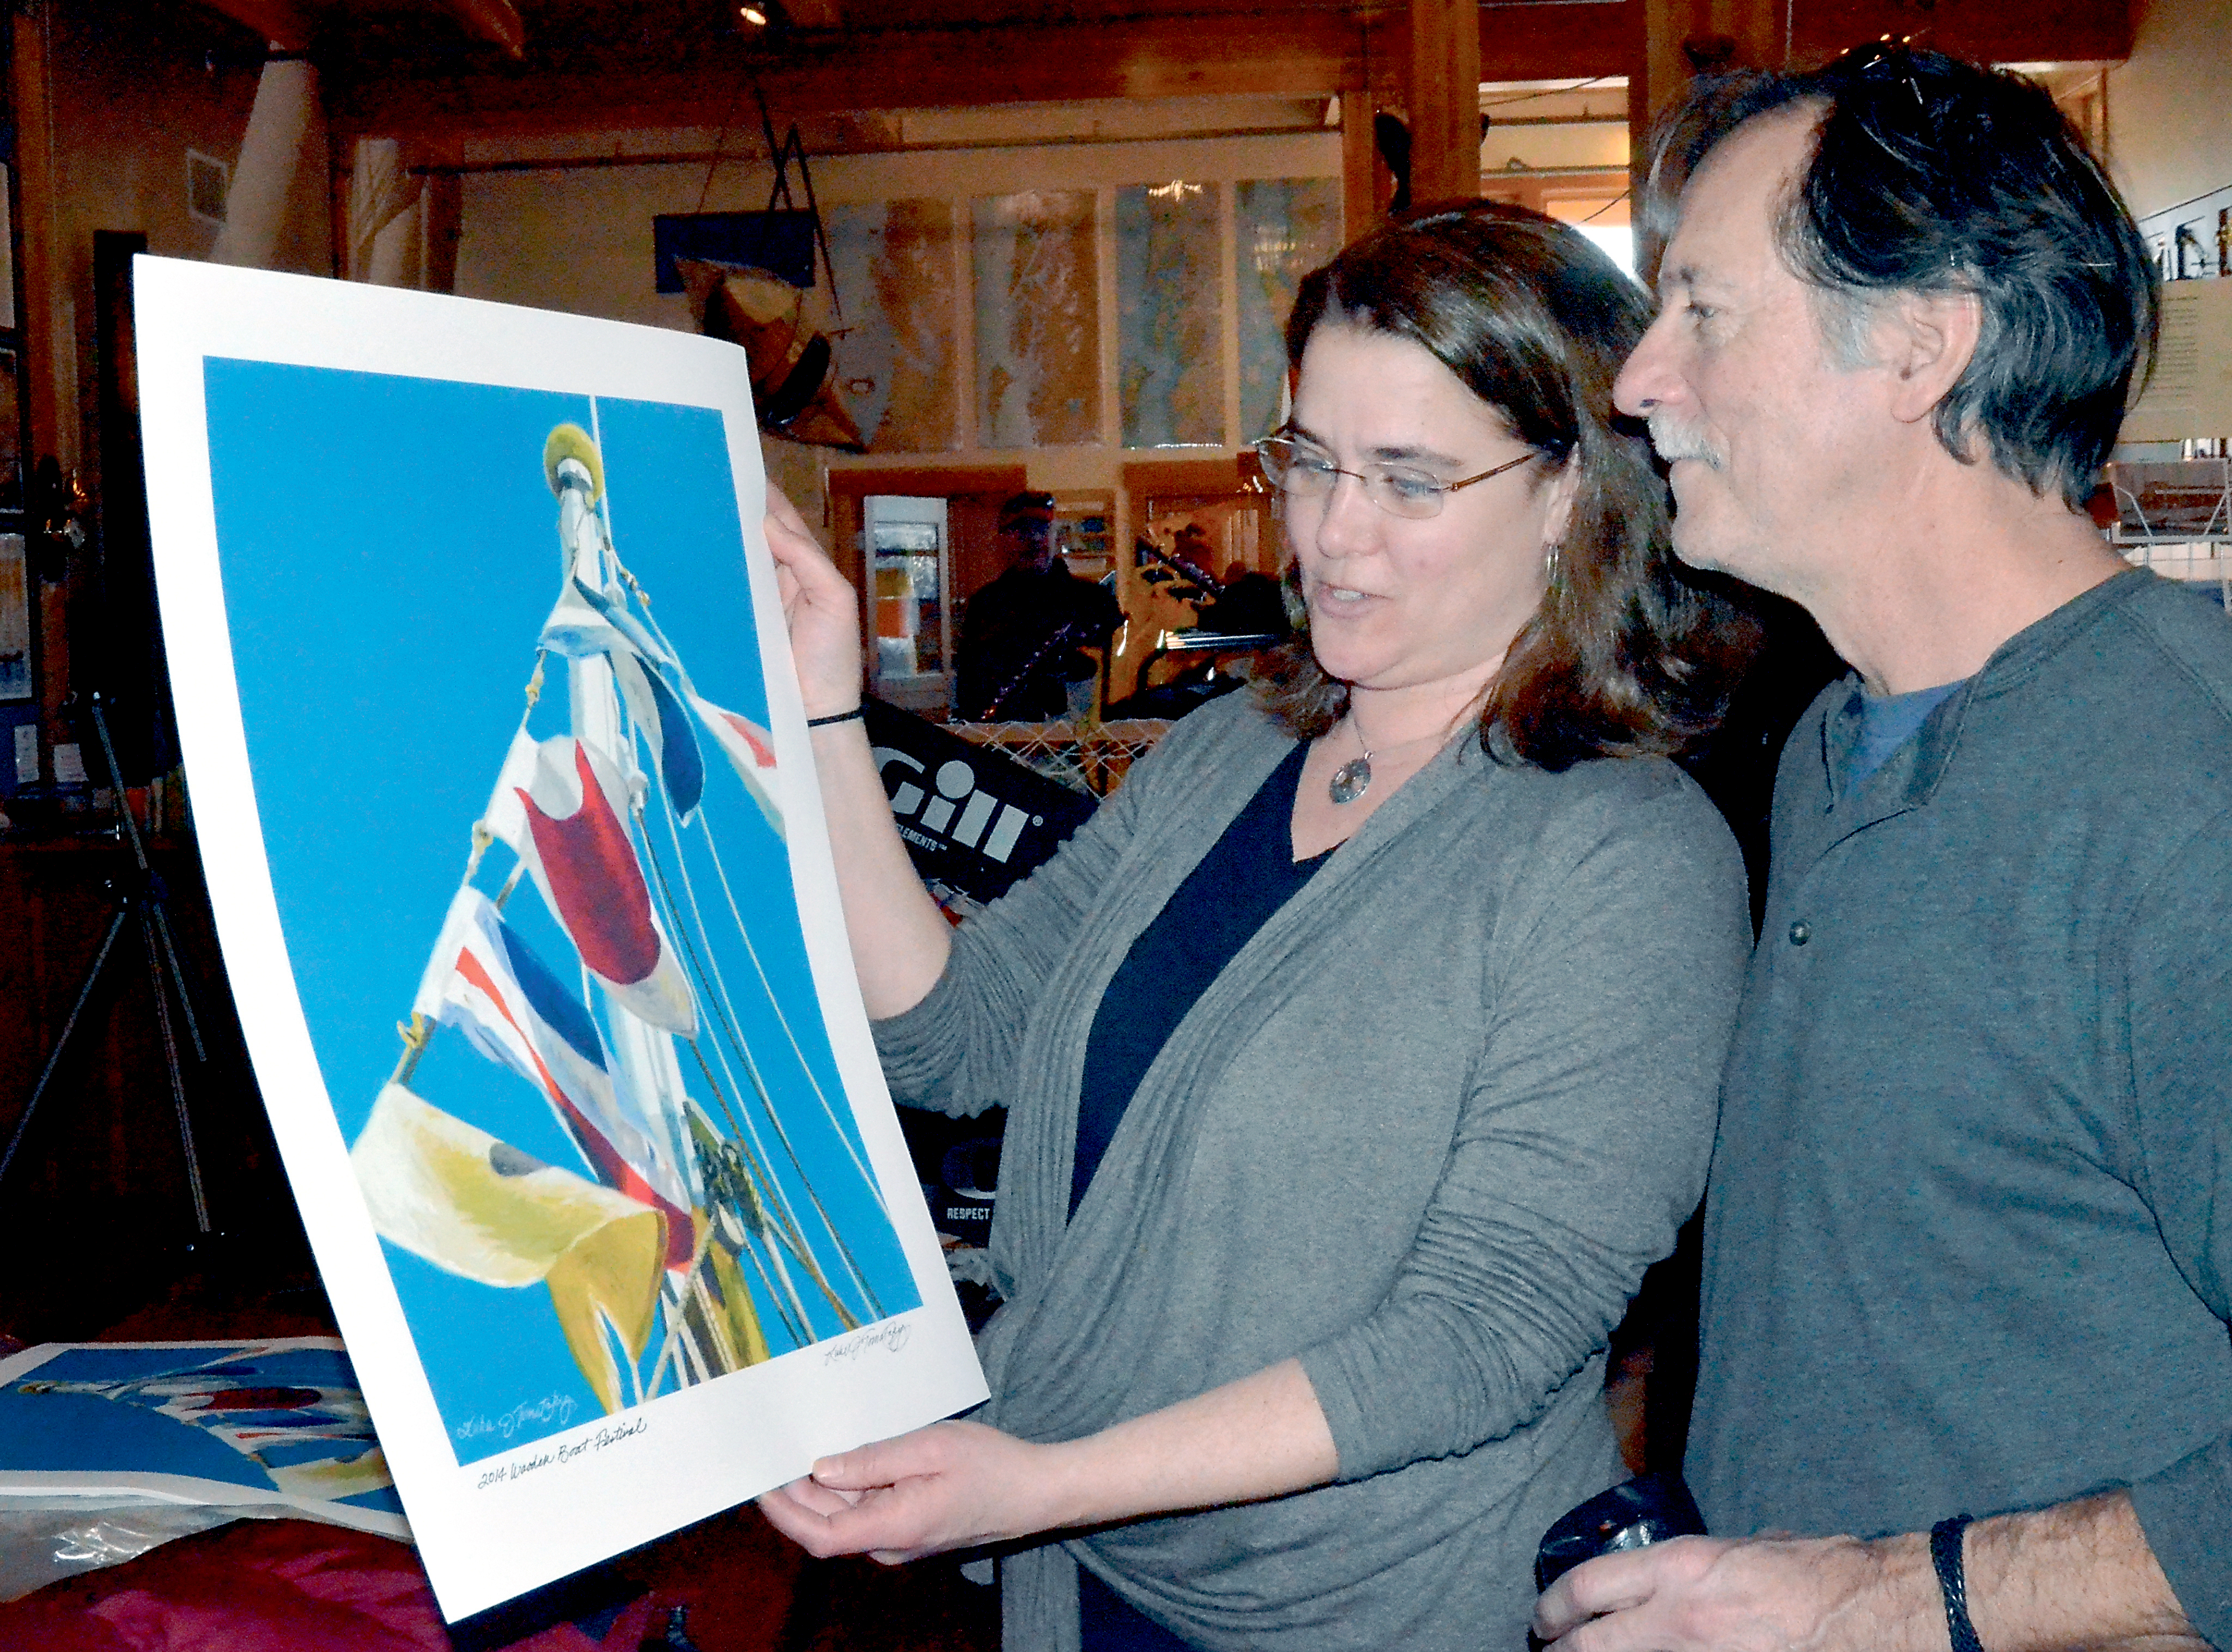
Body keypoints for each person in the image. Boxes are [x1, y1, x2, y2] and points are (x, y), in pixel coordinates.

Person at [759, 202, 1756, 1651]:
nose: (1330, 537)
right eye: (1311, 462)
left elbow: (1477, 1334)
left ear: (1567, 496)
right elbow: (952, 1034)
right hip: (1084, 1556)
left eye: (1410, 483)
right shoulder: (1228, 752)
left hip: (1370, 1600)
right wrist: (827, 712)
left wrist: (1042, 1484)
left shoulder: (1626, 856)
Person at [1535, 45, 2232, 1652]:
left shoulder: (2179, 799)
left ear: (1919, 344)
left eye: (1703, 310)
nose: (1640, 381)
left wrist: (1868, 1602)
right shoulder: (1836, 748)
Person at [953, 491, 1122, 722]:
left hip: (1079, 744)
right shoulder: (985, 605)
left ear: (1058, 537)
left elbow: (1117, 683)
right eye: (1022, 531)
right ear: (1003, 540)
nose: (1033, 539)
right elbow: (968, 682)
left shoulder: (1095, 600)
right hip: (1003, 741)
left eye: (1042, 529)